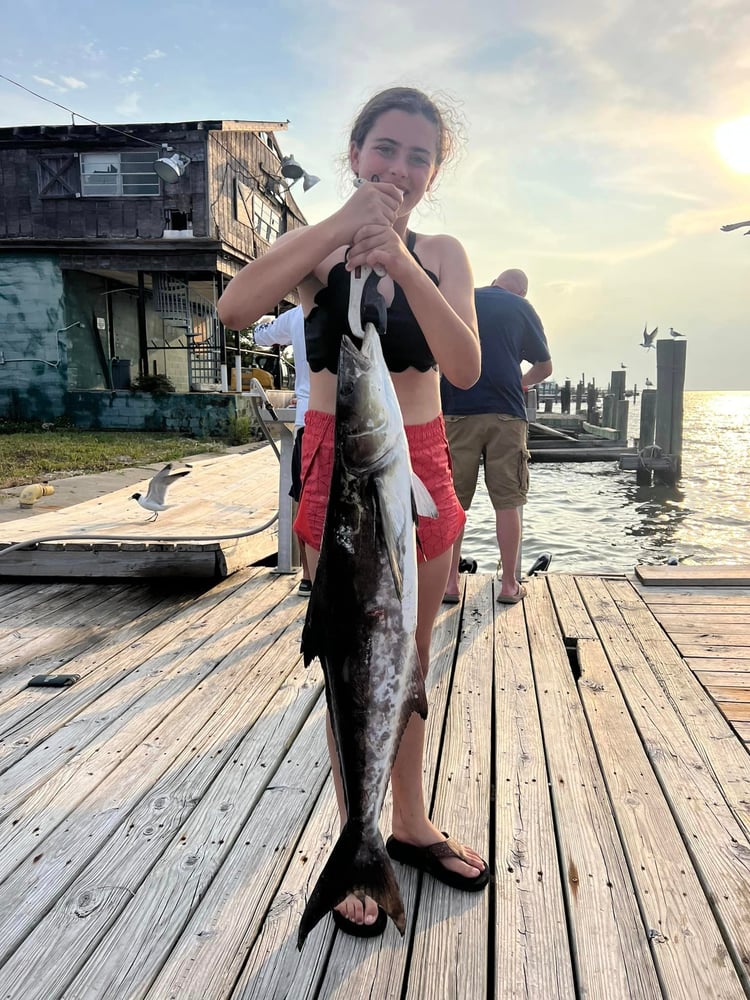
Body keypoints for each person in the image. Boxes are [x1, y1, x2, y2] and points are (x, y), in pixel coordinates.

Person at [218, 86, 488, 935]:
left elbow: (467, 365)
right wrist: (340, 226)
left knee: (408, 656)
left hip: (422, 454)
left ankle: (405, 822)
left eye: (418, 156)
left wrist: (401, 260)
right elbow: (233, 308)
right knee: (347, 652)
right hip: (339, 458)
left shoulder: (441, 251)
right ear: (356, 152)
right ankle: (355, 837)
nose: (399, 168)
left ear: (435, 171)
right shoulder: (313, 251)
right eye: (385, 149)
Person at [441, 268, 552, 604]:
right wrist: (522, 382)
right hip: (506, 412)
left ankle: (448, 584)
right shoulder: (521, 308)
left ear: (494, 282)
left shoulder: (463, 298)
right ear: (521, 292)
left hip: (458, 408)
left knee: (454, 501)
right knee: (508, 501)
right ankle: (508, 585)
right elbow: (545, 366)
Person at [253, 304, 312, 595]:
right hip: (357, 419)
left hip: (309, 418)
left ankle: (309, 575)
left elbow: (259, 336)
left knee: (304, 497)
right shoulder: (361, 304)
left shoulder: (297, 314)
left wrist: (264, 319)